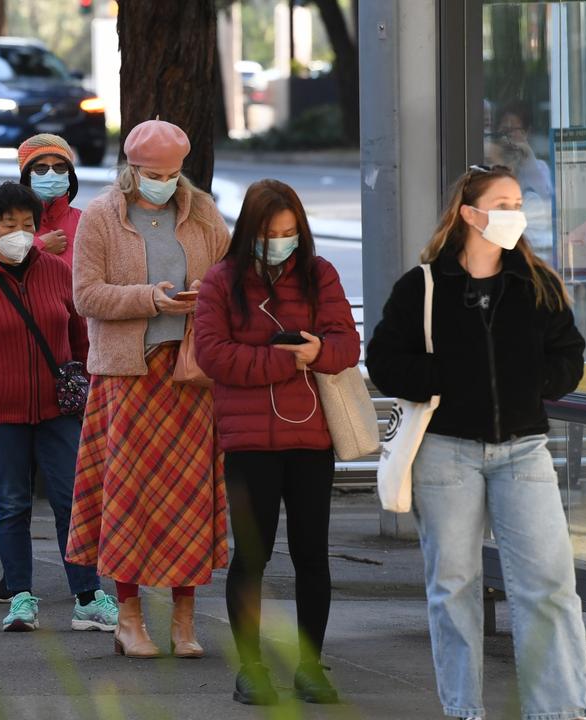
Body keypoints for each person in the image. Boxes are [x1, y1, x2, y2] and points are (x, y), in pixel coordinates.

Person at [367, 165, 586, 720]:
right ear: (470, 213)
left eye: (518, 202)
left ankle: (561, 711)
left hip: (523, 450)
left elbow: (567, 353)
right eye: (503, 202)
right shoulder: (421, 285)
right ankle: (465, 711)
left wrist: (533, 385)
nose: (516, 212)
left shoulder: (535, 282)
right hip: (446, 452)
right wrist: (444, 378)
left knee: (550, 586)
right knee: (455, 589)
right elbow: (385, 360)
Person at [65, 120, 230, 659]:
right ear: (129, 169)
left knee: (188, 500)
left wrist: (209, 294)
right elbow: (86, 296)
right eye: (152, 173)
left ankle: (184, 620)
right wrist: (150, 299)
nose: (163, 182)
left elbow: (234, 282)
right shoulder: (99, 216)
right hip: (127, 377)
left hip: (190, 376)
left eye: (172, 173)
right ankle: (129, 619)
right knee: (128, 501)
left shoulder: (204, 214)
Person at [0, 182, 118, 633]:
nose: (20, 232)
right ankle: (21, 596)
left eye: (28, 224)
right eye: (9, 224)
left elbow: (80, 335)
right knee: (11, 503)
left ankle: (88, 596)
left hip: (59, 414)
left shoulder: (55, 270)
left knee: (74, 502)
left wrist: (81, 386)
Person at [194, 180, 358, 705]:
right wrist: (286, 359)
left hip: (310, 438)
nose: (281, 242)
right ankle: (251, 668)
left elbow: (346, 345)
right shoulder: (221, 280)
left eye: (290, 232)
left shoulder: (320, 274)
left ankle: (311, 665)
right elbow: (213, 356)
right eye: (271, 233)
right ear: (250, 231)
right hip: (249, 442)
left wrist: (317, 352)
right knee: (252, 556)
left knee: (312, 554)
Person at [0, 134, 80, 267]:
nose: (51, 174)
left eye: (59, 167)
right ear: (27, 176)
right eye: (41, 168)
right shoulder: (5, 217)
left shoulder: (85, 220)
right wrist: (38, 246)